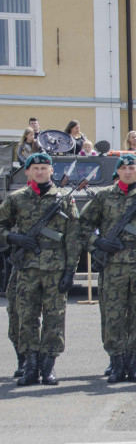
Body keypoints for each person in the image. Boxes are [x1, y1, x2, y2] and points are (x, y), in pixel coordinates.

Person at [78, 153, 136, 384]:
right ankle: (117, 363)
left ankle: (134, 364)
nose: (128, 171)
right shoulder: (103, 196)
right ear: (117, 171)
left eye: (132, 167)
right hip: (113, 265)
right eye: (124, 168)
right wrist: (97, 242)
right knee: (113, 316)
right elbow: (82, 224)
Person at [0, 152, 81, 386]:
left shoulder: (64, 199)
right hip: (26, 267)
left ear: (51, 171)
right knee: (26, 317)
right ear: (27, 172)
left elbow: (73, 237)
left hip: (55, 268)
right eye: (34, 168)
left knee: (55, 318)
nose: (39, 171)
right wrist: (14, 237)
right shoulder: (16, 199)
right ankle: (30, 366)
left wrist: (70, 271)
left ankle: (48, 367)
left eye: (44, 168)